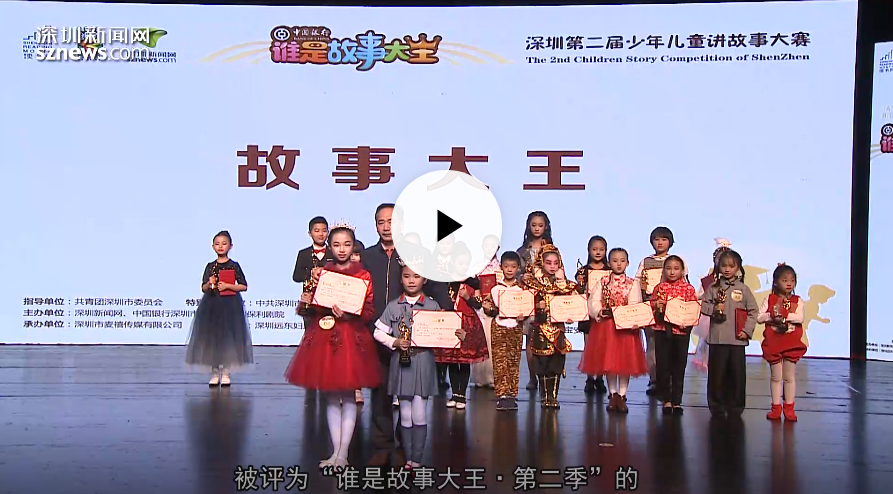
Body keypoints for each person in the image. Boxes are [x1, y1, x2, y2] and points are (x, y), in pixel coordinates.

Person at [284, 222, 381, 469]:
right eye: (336, 245)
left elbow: (369, 311)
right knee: (330, 396)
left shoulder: (363, 276)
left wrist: (348, 315)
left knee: (348, 396)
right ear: (329, 246)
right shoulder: (322, 274)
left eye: (347, 244)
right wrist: (306, 301)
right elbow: (312, 309)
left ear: (353, 246)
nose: (342, 249)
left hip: (351, 338)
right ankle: (334, 451)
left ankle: (343, 453)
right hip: (325, 338)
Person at [362, 203, 451, 467]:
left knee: (409, 395)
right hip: (378, 332)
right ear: (375, 225)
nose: (386, 227)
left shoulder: (418, 255)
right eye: (381, 222)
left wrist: (446, 313)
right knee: (380, 391)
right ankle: (382, 445)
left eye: (392, 221)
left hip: (414, 340)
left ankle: (406, 447)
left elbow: (438, 287)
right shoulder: (366, 257)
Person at [372, 260, 463, 469]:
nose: (411, 281)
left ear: (425, 280)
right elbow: (378, 332)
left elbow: (445, 332)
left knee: (420, 412)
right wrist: (394, 342)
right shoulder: (393, 305)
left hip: (423, 363)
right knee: (405, 413)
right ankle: (407, 458)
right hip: (401, 362)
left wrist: (458, 334)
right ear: (401, 279)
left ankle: (417, 459)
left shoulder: (432, 306)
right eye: (407, 276)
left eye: (416, 276)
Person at [579, 247, 648, 413]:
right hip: (607, 327)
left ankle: (622, 396)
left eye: (622, 261)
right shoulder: (602, 281)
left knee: (625, 364)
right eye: (615, 261)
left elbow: (635, 304)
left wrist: (634, 319)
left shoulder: (632, 283)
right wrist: (598, 311)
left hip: (626, 329)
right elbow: (593, 301)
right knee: (609, 363)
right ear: (609, 263)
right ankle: (612, 394)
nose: (619, 264)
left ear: (628, 263)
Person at [185, 230, 253, 386]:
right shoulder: (210, 266)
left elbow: (243, 286)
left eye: (224, 243)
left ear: (230, 246)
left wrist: (229, 286)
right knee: (212, 339)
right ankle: (215, 371)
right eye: (217, 244)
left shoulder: (234, 266)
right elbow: (203, 288)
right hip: (212, 304)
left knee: (228, 339)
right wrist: (210, 284)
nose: (220, 246)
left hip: (230, 305)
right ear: (212, 247)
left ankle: (226, 372)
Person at [520, 244, 583, 408]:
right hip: (540, 329)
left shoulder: (564, 285)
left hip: (558, 329)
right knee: (541, 363)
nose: (553, 266)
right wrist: (536, 305)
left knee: (556, 364)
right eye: (548, 263)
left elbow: (574, 303)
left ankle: (553, 397)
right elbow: (523, 304)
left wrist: (571, 315)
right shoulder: (532, 283)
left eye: (556, 263)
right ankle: (544, 396)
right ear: (541, 263)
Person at [700, 249, 758, 418]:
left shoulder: (743, 289)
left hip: (737, 339)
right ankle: (716, 405)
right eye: (723, 266)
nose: (727, 269)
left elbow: (753, 311)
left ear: (738, 267)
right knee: (716, 375)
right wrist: (714, 308)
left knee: (737, 375)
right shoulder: (713, 288)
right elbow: (703, 306)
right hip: (717, 339)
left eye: (731, 266)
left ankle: (736, 406)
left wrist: (746, 330)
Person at [435, 242, 489, 409]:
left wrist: (467, 297)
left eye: (466, 263)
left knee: (464, 361)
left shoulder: (473, 282)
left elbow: (479, 305)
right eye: (460, 262)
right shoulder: (447, 281)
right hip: (451, 322)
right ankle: (454, 394)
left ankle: (462, 395)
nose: (463, 266)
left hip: (467, 324)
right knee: (452, 360)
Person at [636, 226, 687, 396]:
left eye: (664, 239)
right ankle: (654, 380)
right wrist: (642, 290)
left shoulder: (677, 260)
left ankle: (669, 380)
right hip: (651, 306)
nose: (660, 242)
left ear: (670, 242)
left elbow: (685, 283)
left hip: (673, 309)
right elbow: (637, 283)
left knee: (672, 345)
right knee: (652, 344)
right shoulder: (646, 261)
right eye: (656, 239)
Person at [649, 255, 698, 415]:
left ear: (682, 271)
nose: (672, 272)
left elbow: (693, 309)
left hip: (681, 332)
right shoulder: (659, 288)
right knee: (663, 366)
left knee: (679, 366)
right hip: (662, 330)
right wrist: (656, 305)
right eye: (668, 268)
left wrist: (687, 321)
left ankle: (677, 401)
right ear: (663, 270)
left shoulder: (688, 289)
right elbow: (651, 308)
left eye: (676, 269)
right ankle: (666, 400)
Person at [758, 263, 806, 421]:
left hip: (791, 343)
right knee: (776, 377)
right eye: (785, 280)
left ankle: (789, 407)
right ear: (776, 282)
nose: (789, 284)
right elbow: (760, 317)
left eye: (792, 280)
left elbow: (800, 318)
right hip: (774, 343)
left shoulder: (797, 301)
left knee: (789, 377)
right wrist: (772, 315)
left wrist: (784, 315)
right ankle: (776, 407)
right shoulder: (769, 299)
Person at [482, 251, 528, 411]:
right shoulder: (495, 289)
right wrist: (492, 309)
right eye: (506, 266)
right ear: (501, 267)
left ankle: (511, 394)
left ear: (518, 268)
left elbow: (527, 308)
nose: (509, 269)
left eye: (513, 266)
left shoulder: (522, 289)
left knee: (513, 361)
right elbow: (487, 307)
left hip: (515, 328)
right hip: (499, 327)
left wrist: (524, 315)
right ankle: (502, 395)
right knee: (500, 361)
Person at [516, 211, 554, 391]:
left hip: (547, 299)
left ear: (546, 227)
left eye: (540, 225)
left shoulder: (552, 249)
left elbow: (558, 272)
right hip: (528, 299)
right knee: (530, 339)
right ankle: (533, 378)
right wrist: (522, 277)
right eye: (534, 225)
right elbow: (515, 274)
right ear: (528, 227)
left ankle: (547, 377)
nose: (537, 228)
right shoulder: (522, 252)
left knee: (548, 338)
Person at [575, 235, 609, 395]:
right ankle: (589, 378)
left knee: (602, 347)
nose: (598, 252)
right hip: (587, 312)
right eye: (594, 249)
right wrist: (580, 282)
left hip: (603, 313)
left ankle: (600, 378)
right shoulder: (583, 270)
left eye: (601, 249)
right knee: (589, 347)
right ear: (588, 250)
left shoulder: (610, 270)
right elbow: (578, 291)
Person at [692, 238, 732, 371]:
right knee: (708, 342)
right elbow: (699, 295)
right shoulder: (708, 279)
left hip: (728, 314)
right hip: (710, 315)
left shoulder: (735, 281)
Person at [471, 235, 500, 389]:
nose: (489, 249)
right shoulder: (476, 266)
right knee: (480, 342)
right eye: (486, 246)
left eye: (493, 246)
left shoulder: (501, 268)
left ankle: (493, 377)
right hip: (479, 309)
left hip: (495, 310)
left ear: (498, 248)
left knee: (493, 343)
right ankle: (480, 377)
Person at [351, 240, 366, 405]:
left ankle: (357, 388)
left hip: (361, 322)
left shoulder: (366, 274)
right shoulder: (338, 272)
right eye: (352, 254)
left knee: (358, 358)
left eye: (357, 254)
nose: (354, 258)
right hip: (343, 321)